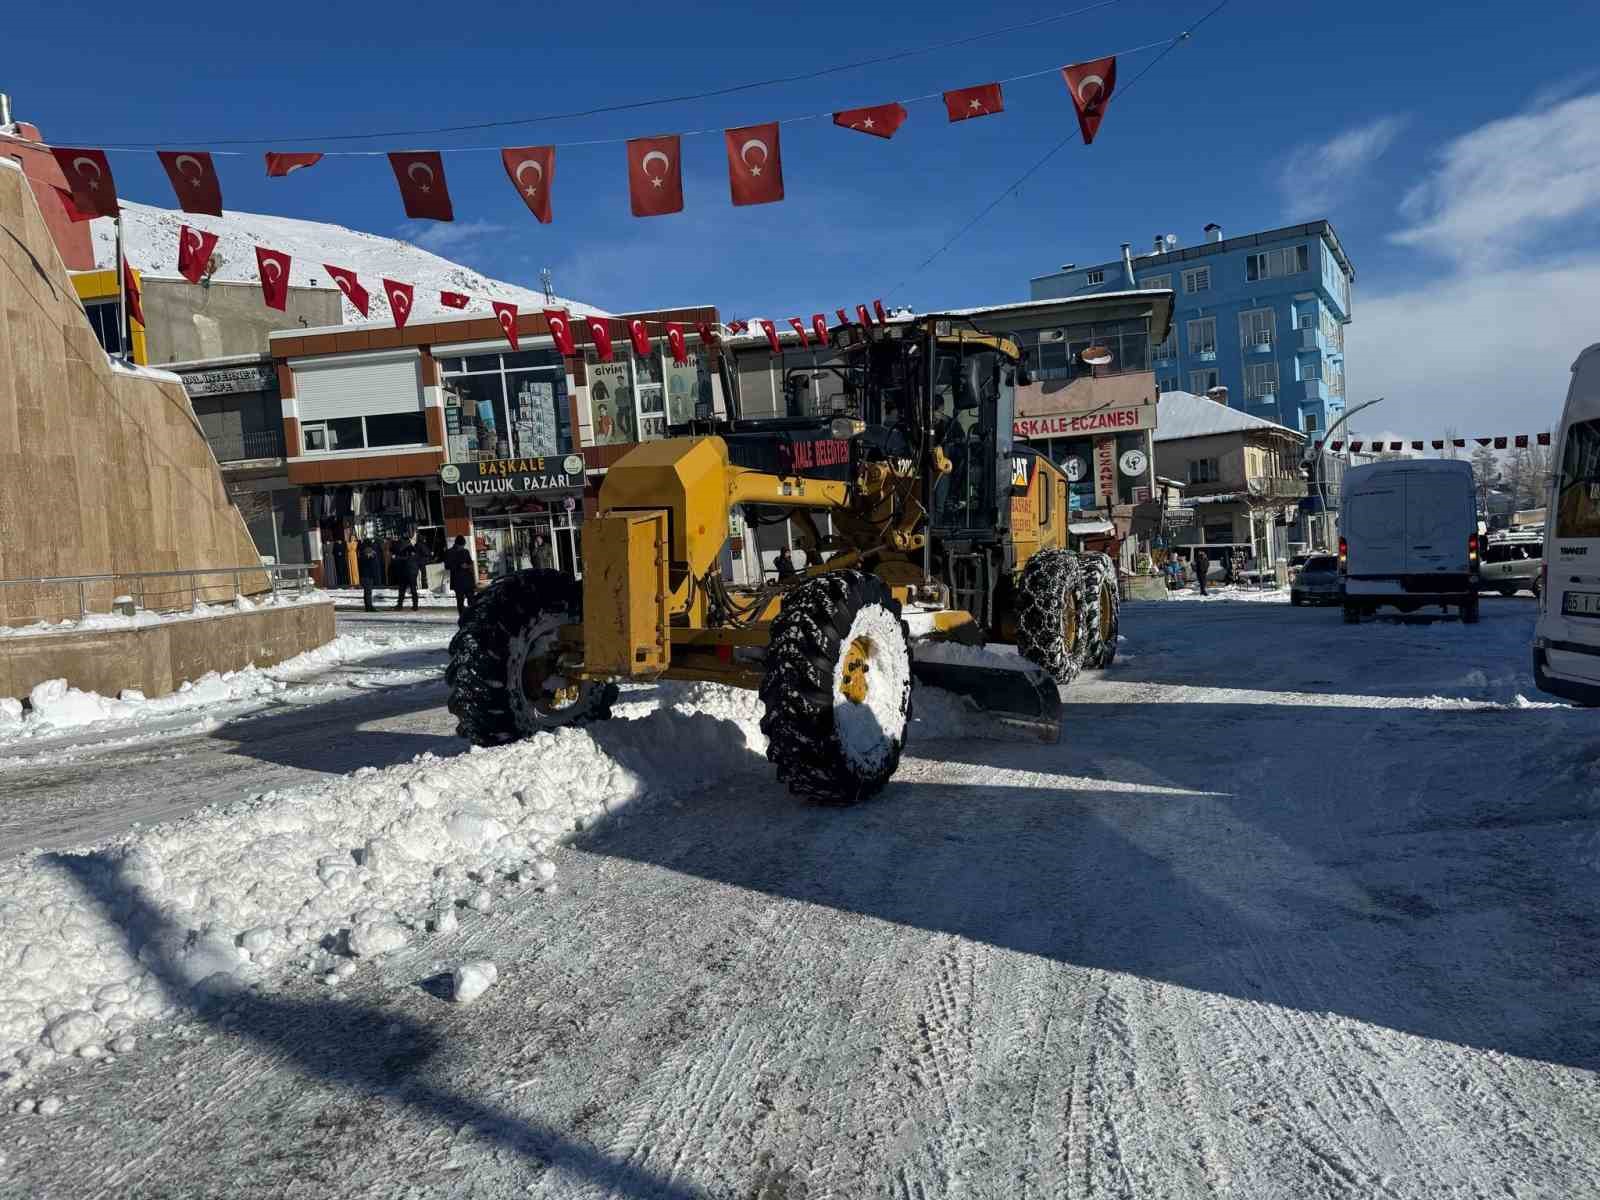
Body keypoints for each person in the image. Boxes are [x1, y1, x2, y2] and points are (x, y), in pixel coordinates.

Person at [443, 536, 476, 621]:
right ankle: (462, 618)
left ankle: (473, 617)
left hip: (468, 580)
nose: (463, 547)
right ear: (457, 544)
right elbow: (447, 566)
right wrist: (459, 566)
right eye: (462, 545)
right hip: (458, 581)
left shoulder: (466, 551)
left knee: (471, 600)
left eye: (463, 545)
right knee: (460, 601)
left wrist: (468, 565)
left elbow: (470, 562)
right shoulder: (449, 552)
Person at [392, 534, 420, 610]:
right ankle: (413, 605)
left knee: (404, 589)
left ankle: (403, 605)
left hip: (407, 571)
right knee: (408, 589)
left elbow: (407, 559)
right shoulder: (411, 548)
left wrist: (397, 558)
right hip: (410, 571)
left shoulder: (408, 549)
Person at [357, 538, 382, 612]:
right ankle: (369, 607)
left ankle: (368, 606)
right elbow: (370, 565)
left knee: (367, 592)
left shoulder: (362, 553)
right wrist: (370, 557)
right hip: (367, 575)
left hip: (366, 575)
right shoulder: (365, 555)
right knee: (368, 592)